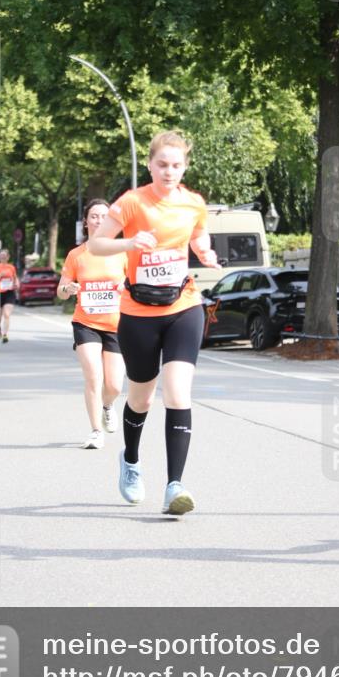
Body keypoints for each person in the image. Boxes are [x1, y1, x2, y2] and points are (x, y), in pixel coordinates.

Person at [89, 132, 221, 514]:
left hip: (183, 306)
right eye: (162, 164)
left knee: (178, 393)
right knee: (142, 397)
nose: (169, 171)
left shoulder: (193, 204)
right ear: (150, 165)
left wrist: (206, 253)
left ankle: (174, 486)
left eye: (176, 165)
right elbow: (97, 244)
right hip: (137, 314)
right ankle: (130, 460)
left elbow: (199, 237)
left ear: (185, 167)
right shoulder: (132, 203)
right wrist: (130, 244)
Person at [57, 199, 127, 450]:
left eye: (104, 216)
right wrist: (69, 287)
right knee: (93, 377)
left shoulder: (121, 251)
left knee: (115, 385)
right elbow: (61, 291)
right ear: (86, 222)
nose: (99, 220)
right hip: (85, 322)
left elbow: (134, 284)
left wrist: (125, 286)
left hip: (117, 324)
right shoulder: (77, 255)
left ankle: (107, 405)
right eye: (94, 216)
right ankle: (96, 430)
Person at [0, 249, 19, 343]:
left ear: (8, 257)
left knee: (6, 314)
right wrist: (0, 275)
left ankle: (5, 334)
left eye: (4, 256)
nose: (2, 257)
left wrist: (17, 284)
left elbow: (15, 278)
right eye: (1, 256)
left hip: (9, 293)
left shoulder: (11, 267)